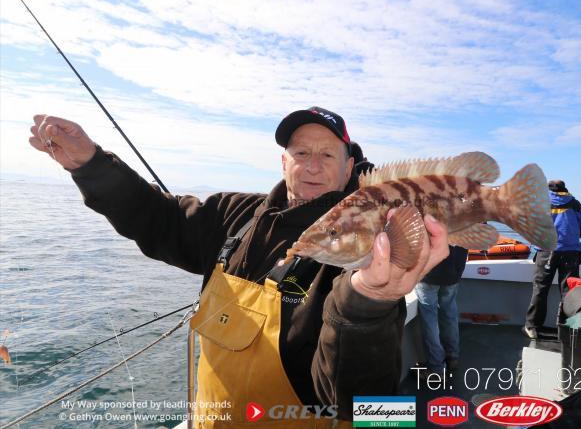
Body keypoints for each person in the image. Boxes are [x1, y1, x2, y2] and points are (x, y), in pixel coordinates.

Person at [28, 107, 450, 427]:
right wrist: (90, 164)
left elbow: (364, 402)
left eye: (327, 153)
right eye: (300, 151)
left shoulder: (366, 243)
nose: (313, 164)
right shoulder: (237, 214)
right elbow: (156, 216)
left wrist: (370, 301)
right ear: (283, 162)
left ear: (348, 167)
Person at [523, 179, 581, 339]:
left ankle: (532, 327)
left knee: (540, 289)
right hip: (571, 254)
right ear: (564, 188)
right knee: (570, 292)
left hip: (545, 253)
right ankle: (568, 331)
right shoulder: (575, 204)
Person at [415, 245, 467, 373]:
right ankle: (452, 357)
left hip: (427, 271)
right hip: (454, 270)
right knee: (449, 312)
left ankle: (436, 367)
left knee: (429, 319)